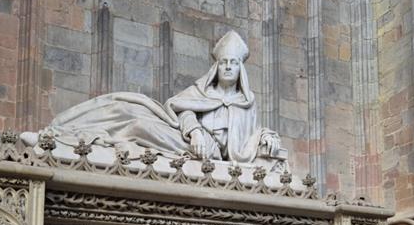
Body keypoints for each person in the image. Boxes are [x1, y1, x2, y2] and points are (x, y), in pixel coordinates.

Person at [22, 31, 281, 164]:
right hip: (186, 136)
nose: (228, 67)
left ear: (240, 69)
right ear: (216, 67)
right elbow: (182, 109)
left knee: (138, 126)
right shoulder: (203, 92)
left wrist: (267, 137)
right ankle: (56, 134)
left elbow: (250, 138)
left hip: (202, 152)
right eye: (223, 62)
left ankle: (62, 145)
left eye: (233, 63)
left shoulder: (246, 104)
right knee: (127, 107)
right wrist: (195, 131)